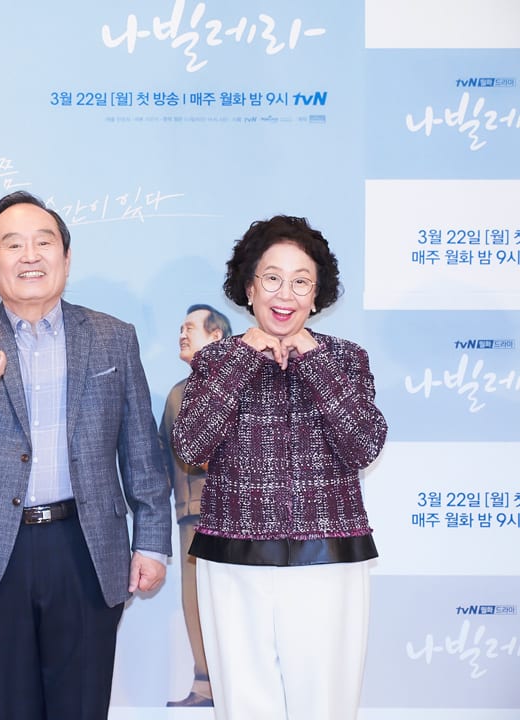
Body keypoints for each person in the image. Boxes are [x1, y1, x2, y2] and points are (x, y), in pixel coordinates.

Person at [0, 190, 172, 720]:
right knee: (11, 707)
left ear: (66, 257)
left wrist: (152, 541)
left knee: (82, 706)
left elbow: (141, 450)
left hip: (85, 546)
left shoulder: (113, 337)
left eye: (43, 242)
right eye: (12, 245)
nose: (30, 256)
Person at [172, 215, 388, 720]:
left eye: (300, 281)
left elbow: (364, 445)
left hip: (327, 558)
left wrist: (313, 361)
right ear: (249, 289)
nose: (284, 294)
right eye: (272, 278)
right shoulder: (217, 360)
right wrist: (243, 359)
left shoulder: (345, 359)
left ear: (316, 296)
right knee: (244, 706)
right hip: (233, 560)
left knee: (325, 706)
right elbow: (191, 443)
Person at [161, 303, 231, 709]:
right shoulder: (177, 394)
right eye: (181, 328)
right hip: (189, 516)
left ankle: (236, 689)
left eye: (190, 328)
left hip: (233, 519)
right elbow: (160, 457)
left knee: (231, 606)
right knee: (194, 601)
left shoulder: (239, 386)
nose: (182, 334)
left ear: (216, 336)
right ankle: (204, 686)